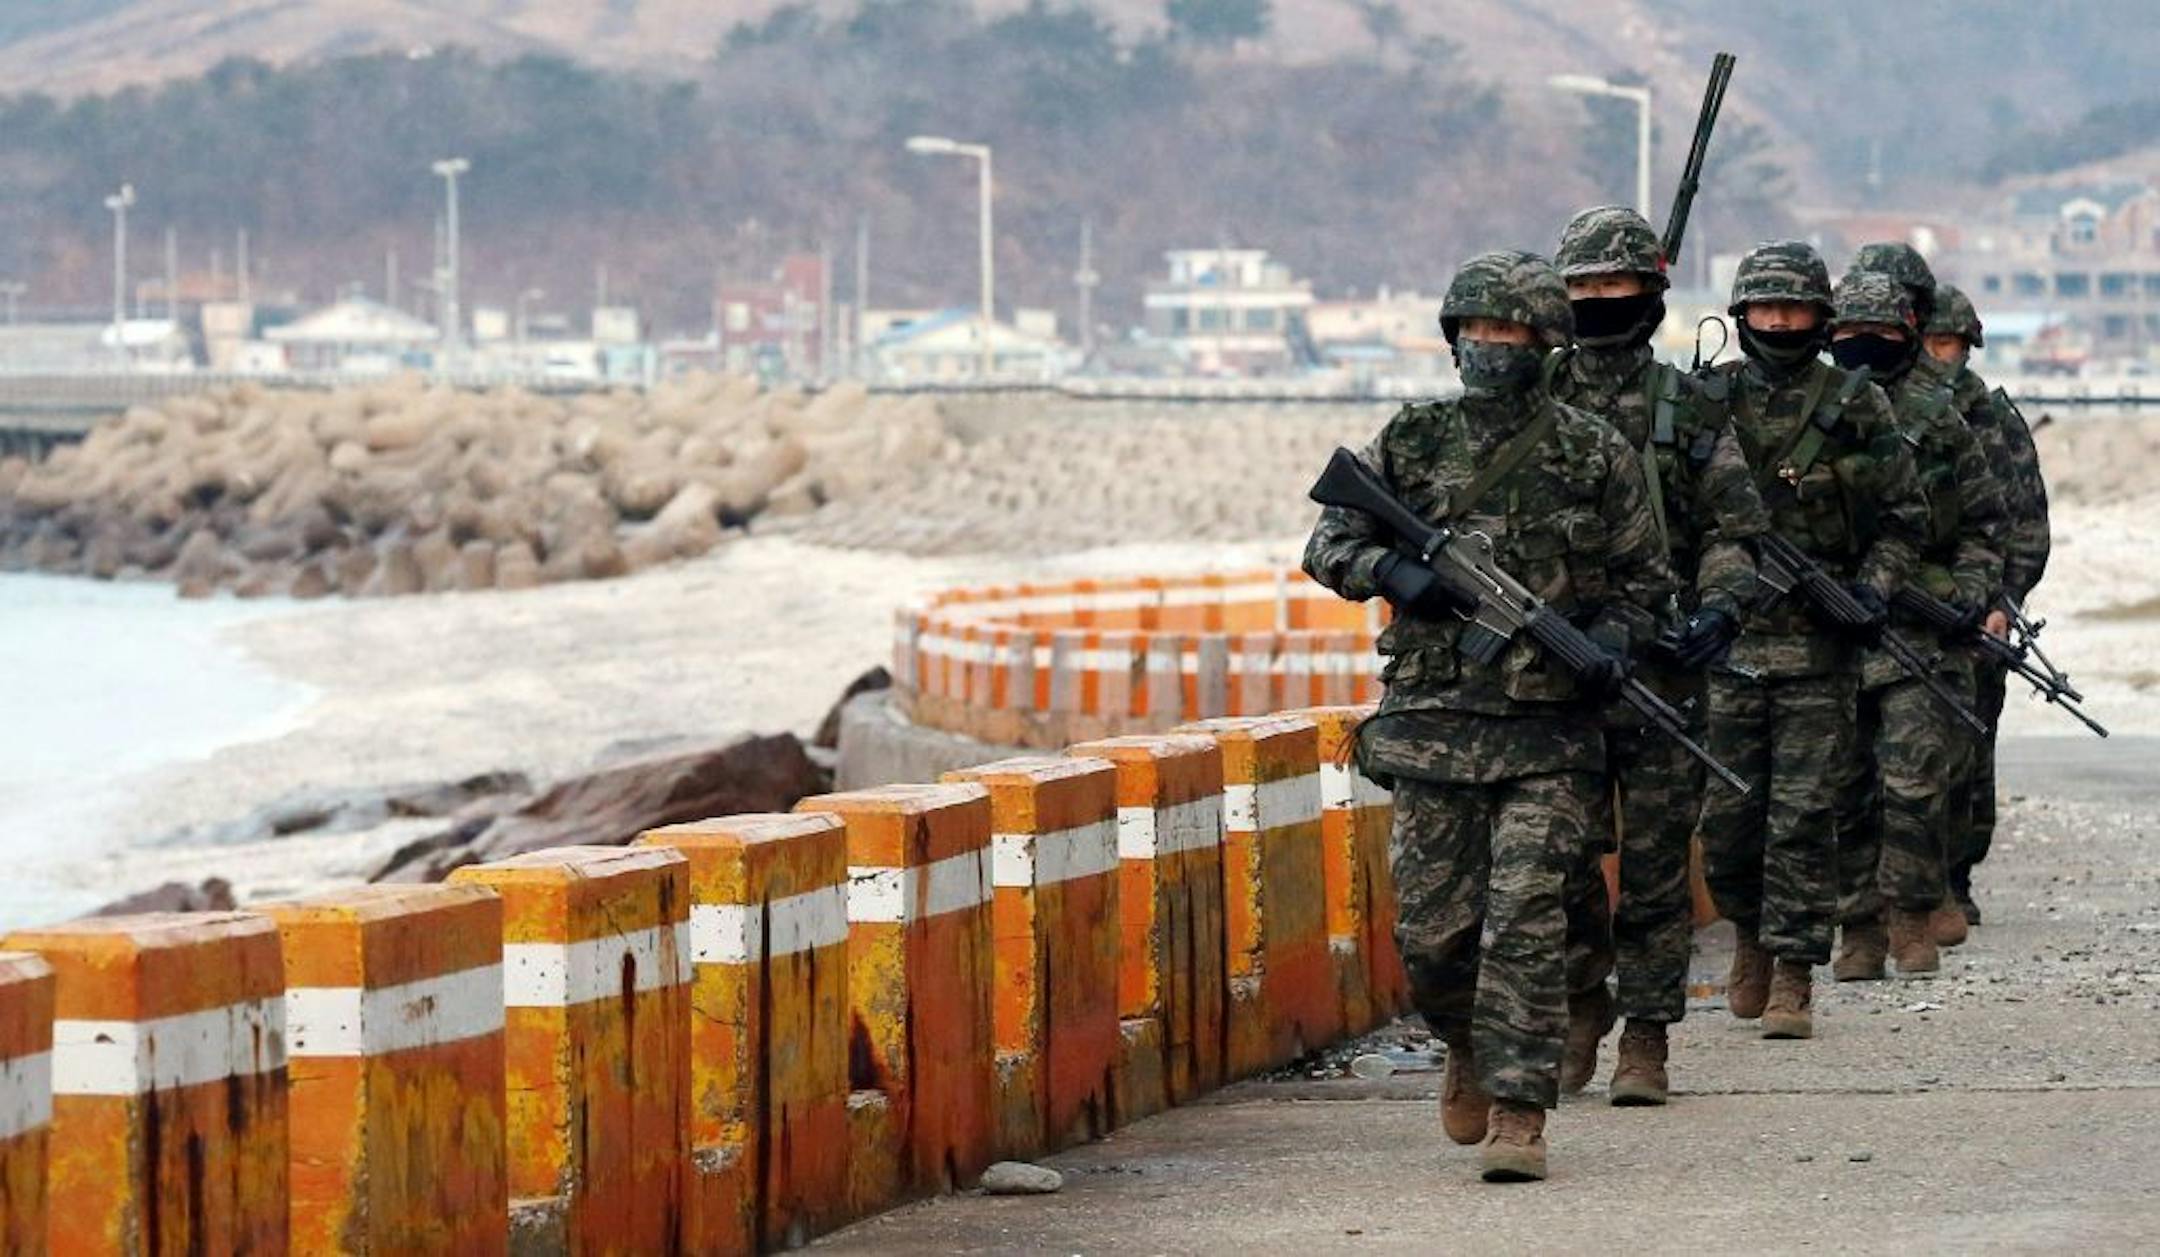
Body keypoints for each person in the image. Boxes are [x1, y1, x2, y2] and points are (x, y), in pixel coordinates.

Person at [1303, 250, 1673, 1182]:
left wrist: (1609, 644)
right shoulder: (1417, 439)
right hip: (1432, 728)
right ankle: (1465, 1043)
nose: (1488, 347)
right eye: (1473, 330)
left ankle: (1520, 1110)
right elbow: (1328, 537)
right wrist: (1393, 572)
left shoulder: (1595, 452)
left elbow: (1645, 582)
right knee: (1434, 938)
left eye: (1507, 332)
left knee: (1524, 919)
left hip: (1548, 738)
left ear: (1546, 342)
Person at [1545, 206, 1769, 1105]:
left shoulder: (1691, 405)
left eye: (1616, 285)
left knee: (1655, 865)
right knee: (1556, 858)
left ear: (1651, 293)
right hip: (1556, 670)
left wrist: (1720, 604)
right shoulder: (1535, 398)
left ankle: (1646, 1034)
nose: (1600, 301)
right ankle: (1574, 1004)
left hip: (1664, 668)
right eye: (1583, 288)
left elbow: (1733, 526)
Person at [1693, 240, 1929, 1040]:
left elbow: (1904, 519)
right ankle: (1750, 935)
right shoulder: (1705, 402)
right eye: (1766, 308)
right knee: (1727, 824)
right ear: (1742, 314)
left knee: (1801, 816)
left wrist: (1873, 590)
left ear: (1820, 317)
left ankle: (1793, 968)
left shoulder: (1856, 405)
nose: (1780, 322)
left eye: (1795, 309)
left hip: (1817, 654)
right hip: (1724, 648)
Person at [1822, 272, 2005, 981]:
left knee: (1916, 784)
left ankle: (1909, 912)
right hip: (1833, 632)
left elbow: (1985, 523)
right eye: (1849, 333)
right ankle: (1857, 924)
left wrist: (1966, 593)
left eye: (1883, 333)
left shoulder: (1940, 417)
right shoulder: (1812, 411)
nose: (1865, 346)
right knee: (1844, 787)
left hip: (1920, 637)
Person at [1924, 283, 2053, 925]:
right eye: (1924, 342)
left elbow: (2026, 525)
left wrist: (2005, 600)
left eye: (1944, 344)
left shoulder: (1993, 420)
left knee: (1970, 747)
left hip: (1979, 614)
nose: (1933, 356)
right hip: (1901, 609)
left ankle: (1954, 875)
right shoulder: (1880, 410)